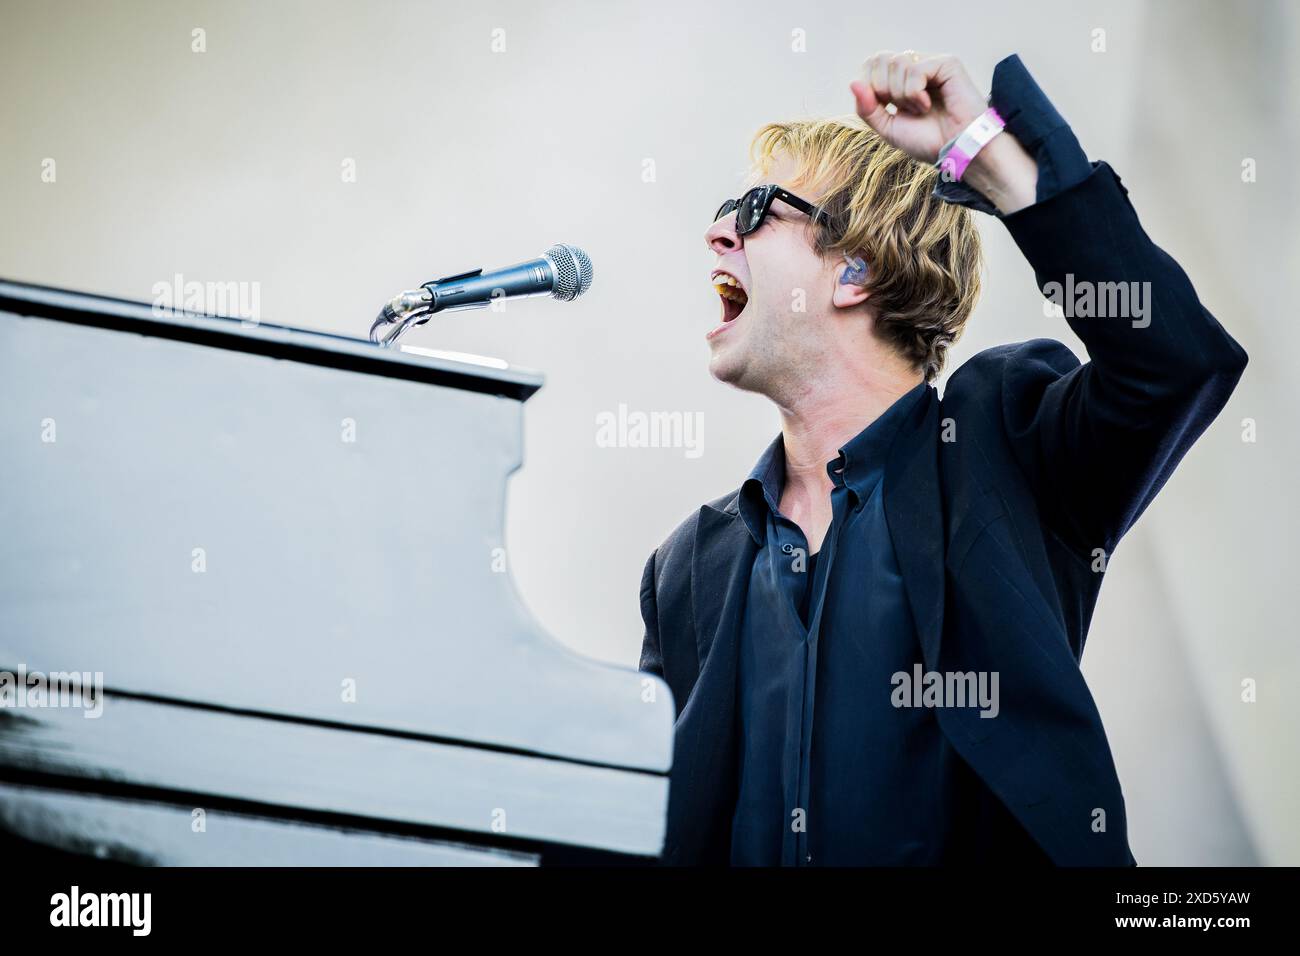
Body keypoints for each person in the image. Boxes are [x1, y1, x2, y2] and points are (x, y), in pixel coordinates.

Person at [636, 50, 1248, 866]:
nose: (718, 231)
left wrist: (995, 164)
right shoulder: (688, 567)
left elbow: (1175, 362)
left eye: (754, 209)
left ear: (855, 267)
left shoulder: (1004, 448)